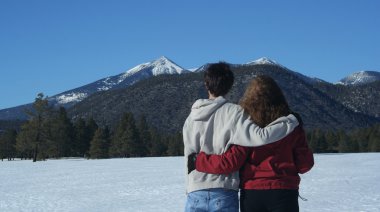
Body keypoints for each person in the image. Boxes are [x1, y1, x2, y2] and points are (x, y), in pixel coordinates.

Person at [183, 63, 300, 212]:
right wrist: (290, 121)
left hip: (195, 192)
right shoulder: (235, 112)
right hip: (223, 191)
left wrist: (189, 186)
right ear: (230, 85)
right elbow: (261, 136)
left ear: (206, 84)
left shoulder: (191, 118)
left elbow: (189, 158)